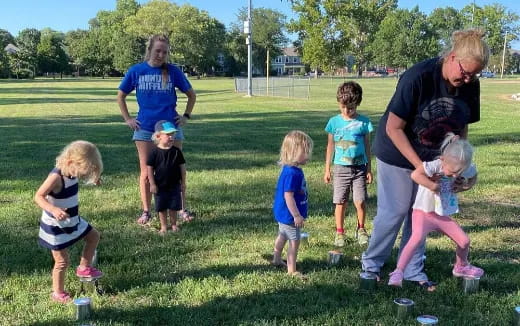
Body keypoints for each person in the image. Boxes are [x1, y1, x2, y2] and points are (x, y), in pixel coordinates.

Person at [361, 29, 489, 291]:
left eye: (473, 75)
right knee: (394, 211)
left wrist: (459, 163)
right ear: (453, 57)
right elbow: (393, 128)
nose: (467, 79)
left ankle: (412, 268)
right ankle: (371, 266)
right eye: (465, 72)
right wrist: (420, 167)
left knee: (422, 212)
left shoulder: (470, 85)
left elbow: (461, 126)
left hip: (435, 157)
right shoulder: (418, 76)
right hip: (397, 152)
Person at [117, 34, 196, 225]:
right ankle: (146, 211)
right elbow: (121, 96)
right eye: (157, 51)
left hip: (170, 127)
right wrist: (128, 119)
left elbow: (191, 95)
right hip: (145, 128)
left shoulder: (173, 72)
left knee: (175, 170)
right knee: (146, 171)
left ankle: (181, 209)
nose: (161, 55)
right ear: (150, 50)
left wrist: (185, 116)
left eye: (165, 52)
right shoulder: (137, 71)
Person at [388, 133, 482, 287]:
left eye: (457, 173)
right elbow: (415, 174)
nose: (453, 175)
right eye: (451, 172)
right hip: (423, 212)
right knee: (415, 239)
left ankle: (461, 266)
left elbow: (473, 174)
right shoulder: (435, 165)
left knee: (464, 241)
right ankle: (398, 272)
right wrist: (433, 186)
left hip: (441, 215)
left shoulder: (459, 165)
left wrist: (466, 186)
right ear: (443, 159)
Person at [34, 141, 104, 304]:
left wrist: (94, 179)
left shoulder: (71, 172)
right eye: (83, 171)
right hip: (55, 226)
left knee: (94, 236)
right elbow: (38, 196)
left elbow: (82, 174)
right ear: (71, 162)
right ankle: (57, 293)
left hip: (72, 220)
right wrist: (54, 210)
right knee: (62, 261)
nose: (82, 175)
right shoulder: (55, 177)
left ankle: (83, 268)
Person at [324, 81, 373, 246]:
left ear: (357, 104)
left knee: (360, 201)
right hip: (340, 168)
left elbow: (367, 146)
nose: (347, 111)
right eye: (343, 107)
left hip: (360, 169)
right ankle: (339, 232)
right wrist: (327, 169)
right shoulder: (333, 122)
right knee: (340, 201)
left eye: (351, 107)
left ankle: (361, 228)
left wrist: (369, 169)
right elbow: (330, 146)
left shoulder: (364, 123)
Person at [272, 130, 313, 278]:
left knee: (282, 235)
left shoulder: (290, 170)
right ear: (294, 152)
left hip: (283, 213)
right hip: (290, 215)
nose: (308, 155)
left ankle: (276, 259)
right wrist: (296, 215)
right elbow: (288, 195)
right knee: (294, 241)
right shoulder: (292, 173)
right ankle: (291, 270)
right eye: (305, 151)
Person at [147, 120, 186, 235]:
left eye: (173, 134)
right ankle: (163, 226)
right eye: (168, 134)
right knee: (162, 207)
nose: (171, 137)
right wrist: (153, 184)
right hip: (160, 186)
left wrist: (183, 182)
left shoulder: (176, 152)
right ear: (158, 136)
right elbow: (150, 169)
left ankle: (174, 224)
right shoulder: (154, 152)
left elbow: (182, 168)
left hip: (174, 185)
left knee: (174, 206)